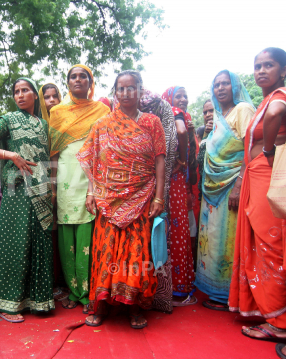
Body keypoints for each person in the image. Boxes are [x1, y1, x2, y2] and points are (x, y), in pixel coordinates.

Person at [78, 70, 166, 328]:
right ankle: (102, 305)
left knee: (136, 254)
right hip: (108, 199)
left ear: (140, 90)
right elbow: (92, 160)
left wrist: (159, 198)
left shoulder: (152, 122)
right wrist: (91, 192)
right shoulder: (103, 125)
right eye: (121, 89)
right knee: (105, 252)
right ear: (115, 93)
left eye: (131, 88)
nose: (126, 93)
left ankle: (135, 307)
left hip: (142, 197)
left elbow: (160, 161)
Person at [229, 48, 286, 347]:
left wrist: (267, 150)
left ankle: (282, 323)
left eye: (268, 65)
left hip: (271, 177)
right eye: (257, 66)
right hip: (259, 179)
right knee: (262, 244)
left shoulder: (284, 94)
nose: (260, 71)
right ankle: (272, 314)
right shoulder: (267, 99)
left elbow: (276, 114)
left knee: (271, 246)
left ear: (284, 69)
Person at [0, 77, 54, 323]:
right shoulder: (8, 120)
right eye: (16, 92)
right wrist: (10, 154)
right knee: (15, 244)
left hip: (41, 190)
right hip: (15, 189)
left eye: (25, 91)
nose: (20, 95)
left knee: (39, 243)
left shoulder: (43, 124)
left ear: (35, 95)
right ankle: (6, 303)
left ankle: (38, 300)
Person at [49, 65, 110, 313]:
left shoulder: (103, 111)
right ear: (68, 82)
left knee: (87, 237)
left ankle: (88, 291)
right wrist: (52, 187)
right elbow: (52, 152)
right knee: (66, 240)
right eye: (73, 76)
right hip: (64, 177)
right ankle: (73, 290)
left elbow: (105, 150)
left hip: (90, 181)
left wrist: (97, 186)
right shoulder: (57, 112)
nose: (78, 80)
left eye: (83, 76)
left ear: (90, 82)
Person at [195, 71, 255, 311]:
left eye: (225, 84)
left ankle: (229, 294)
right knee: (211, 238)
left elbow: (251, 148)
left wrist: (239, 183)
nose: (220, 88)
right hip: (211, 187)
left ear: (235, 87)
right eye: (216, 84)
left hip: (232, 184)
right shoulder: (219, 116)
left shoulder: (243, 111)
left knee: (228, 239)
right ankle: (214, 290)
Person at [138, 90, 178, 314]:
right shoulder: (162, 106)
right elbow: (171, 147)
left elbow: (168, 148)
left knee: (152, 238)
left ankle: (147, 295)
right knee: (155, 239)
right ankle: (155, 298)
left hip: (150, 187)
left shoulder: (158, 111)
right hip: (156, 187)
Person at [161, 86, 197, 306]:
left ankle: (166, 286)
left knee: (168, 229)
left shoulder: (163, 115)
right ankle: (179, 288)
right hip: (175, 179)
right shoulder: (174, 112)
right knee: (177, 229)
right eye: (178, 96)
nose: (183, 99)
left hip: (166, 177)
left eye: (185, 95)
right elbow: (181, 132)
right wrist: (182, 160)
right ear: (169, 99)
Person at [39, 83, 69, 302]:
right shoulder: (38, 124)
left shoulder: (67, 123)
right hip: (40, 182)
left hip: (67, 181)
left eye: (55, 96)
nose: (51, 101)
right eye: (47, 97)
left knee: (61, 230)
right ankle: (47, 281)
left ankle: (62, 281)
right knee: (46, 230)